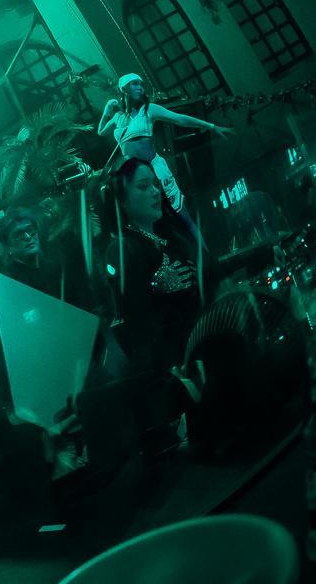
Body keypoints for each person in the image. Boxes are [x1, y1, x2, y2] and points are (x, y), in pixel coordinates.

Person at [101, 157, 204, 457]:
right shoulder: (123, 249)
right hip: (174, 376)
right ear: (122, 200)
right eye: (143, 186)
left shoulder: (170, 237)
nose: (155, 192)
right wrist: (172, 374)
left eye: (155, 184)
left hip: (200, 352)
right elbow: (138, 324)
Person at [97, 73, 232, 244]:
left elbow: (179, 119)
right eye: (134, 84)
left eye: (141, 84)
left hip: (155, 170)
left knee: (182, 216)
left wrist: (211, 126)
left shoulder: (148, 109)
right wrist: (107, 111)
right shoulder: (118, 117)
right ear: (124, 89)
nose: (140, 87)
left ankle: (205, 253)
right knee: (158, 224)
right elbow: (101, 132)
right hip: (136, 177)